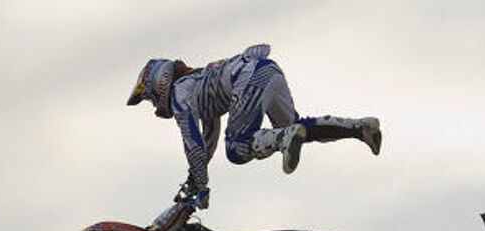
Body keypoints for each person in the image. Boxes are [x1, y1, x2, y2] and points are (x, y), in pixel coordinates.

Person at [127, 45, 381, 202]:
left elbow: (191, 139)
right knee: (299, 126)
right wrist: (196, 182)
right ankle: (360, 128)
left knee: (237, 149)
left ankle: (283, 138)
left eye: (149, 97)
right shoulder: (197, 85)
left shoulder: (180, 93)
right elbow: (208, 138)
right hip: (266, 70)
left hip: (246, 79)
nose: (153, 103)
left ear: (158, 83)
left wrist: (200, 183)